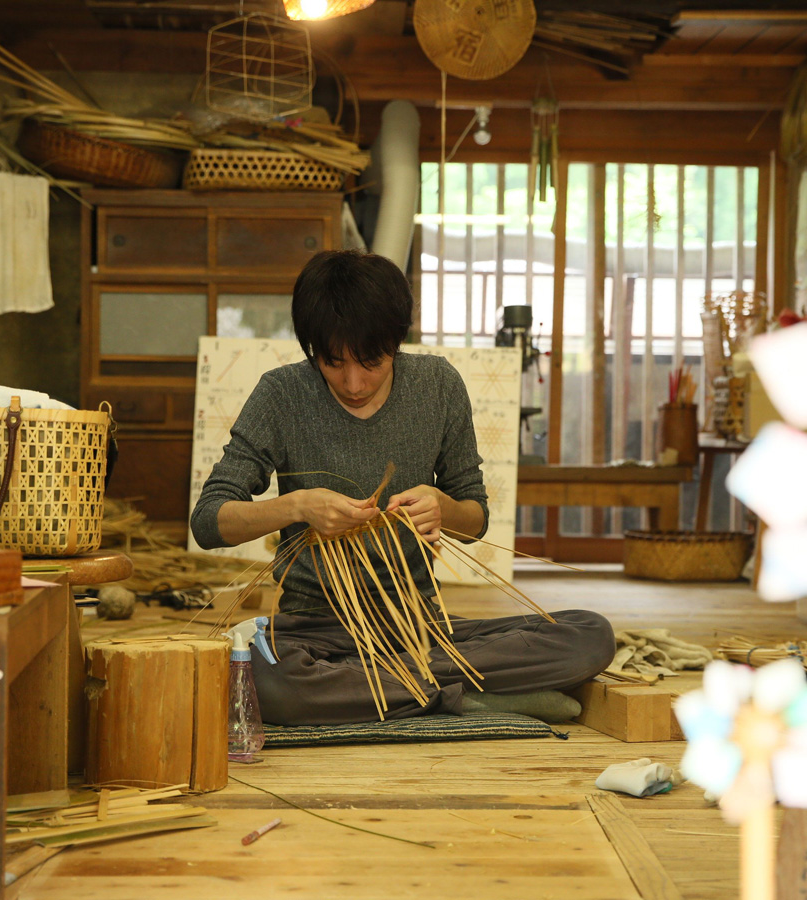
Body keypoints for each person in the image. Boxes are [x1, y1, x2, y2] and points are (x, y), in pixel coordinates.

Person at [191, 249, 614, 725]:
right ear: (312, 350)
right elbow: (208, 520)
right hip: (314, 631)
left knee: (589, 633)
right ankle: (464, 697)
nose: (353, 382)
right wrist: (297, 506)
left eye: (370, 361)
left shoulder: (437, 386)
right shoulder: (282, 394)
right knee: (270, 682)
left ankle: (383, 690)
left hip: (418, 626)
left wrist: (442, 507)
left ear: (397, 339)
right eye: (333, 363)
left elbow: (474, 520)